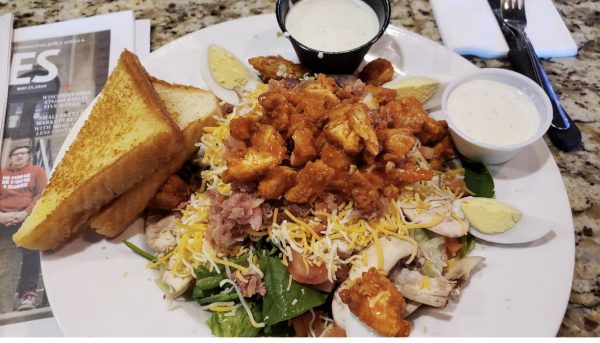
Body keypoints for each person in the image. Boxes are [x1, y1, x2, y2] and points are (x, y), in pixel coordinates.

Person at [0, 145, 47, 311]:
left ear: (28, 156)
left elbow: (42, 195)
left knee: (31, 255)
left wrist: (25, 213)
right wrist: (2, 216)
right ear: (10, 157)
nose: (19, 157)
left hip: (26, 219)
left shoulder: (37, 171)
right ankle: (3, 303)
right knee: (4, 262)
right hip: (3, 222)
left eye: (23, 154)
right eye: (15, 154)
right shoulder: (1, 174)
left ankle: (27, 296)